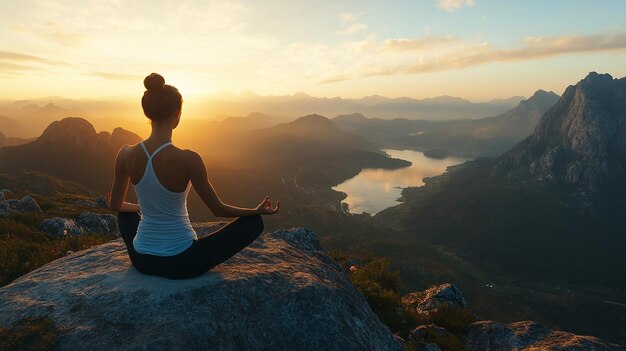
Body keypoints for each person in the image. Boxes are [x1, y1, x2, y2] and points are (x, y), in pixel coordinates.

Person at [107, 72, 280, 279]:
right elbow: (218, 209)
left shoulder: (125, 154)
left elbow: (116, 206)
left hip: (141, 260)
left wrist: (141, 207)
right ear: (177, 116)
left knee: (125, 215)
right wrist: (255, 210)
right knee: (254, 223)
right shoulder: (189, 159)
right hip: (183, 263)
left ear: (147, 113)